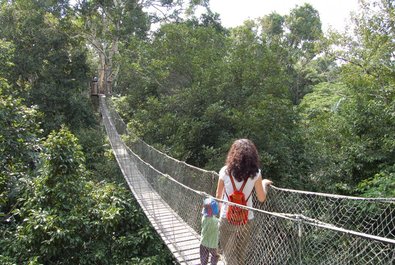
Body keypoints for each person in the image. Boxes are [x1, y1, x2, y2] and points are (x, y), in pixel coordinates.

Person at [216, 139, 272, 265]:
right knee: (241, 257)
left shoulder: (225, 171)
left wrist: (222, 212)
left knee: (229, 256)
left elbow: (218, 195)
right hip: (246, 220)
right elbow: (261, 198)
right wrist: (263, 184)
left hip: (226, 218)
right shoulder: (256, 174)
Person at [200, 197, 219, 265]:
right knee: (215, 256)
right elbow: (219, 225)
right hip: (213, 244)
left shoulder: (203, 218)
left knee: (203, 256)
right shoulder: (216, 221)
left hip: (203, 242)